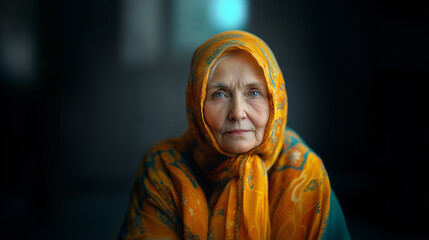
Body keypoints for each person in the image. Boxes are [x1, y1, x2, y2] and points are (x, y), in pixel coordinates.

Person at [118, 30, 350, 239]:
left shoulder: (304, 176)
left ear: (275, 101)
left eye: (255, 93)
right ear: (196, 103)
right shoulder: (164, 168)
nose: (237, 113)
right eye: (219, 94)